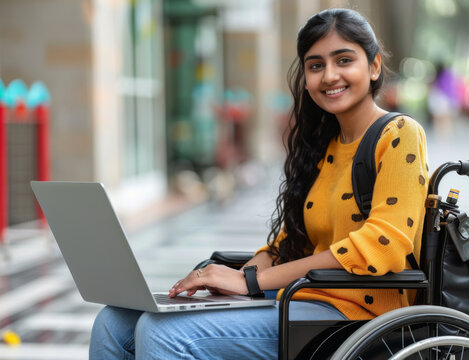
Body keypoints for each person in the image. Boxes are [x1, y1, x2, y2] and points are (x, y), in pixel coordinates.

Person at [89, 8, 429, 359]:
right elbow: (289, 246)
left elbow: (382, 245)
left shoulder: (400, 134)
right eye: (315, 65)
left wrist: (249, 282)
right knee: (113, 321)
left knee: (163, 334)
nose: (329, 75)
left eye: (344, 60)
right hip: (301, 299)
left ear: (373, 67)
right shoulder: (323, 146)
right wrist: (225, 276)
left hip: (360, 318)